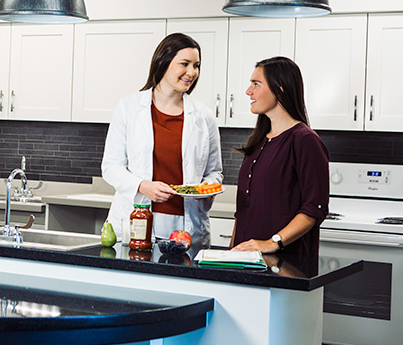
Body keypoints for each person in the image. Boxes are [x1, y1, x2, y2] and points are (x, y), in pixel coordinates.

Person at [101, 33, 223, 248]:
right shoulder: (128, 108)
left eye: (196, 66)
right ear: (163, 62)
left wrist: (206, 188)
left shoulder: (204, 117)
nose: (192, 72)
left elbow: (214, 172)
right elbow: (111, 167)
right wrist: (142, 185)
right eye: (184, 64)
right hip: (137, 219)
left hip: (186, 226)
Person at [230, 56, 329, 256]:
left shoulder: (305, 140)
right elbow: (243, 211)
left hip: (286, 263)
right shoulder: (258, 141)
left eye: (256, 84)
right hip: (244, 259)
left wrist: (272, 243)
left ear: (279, 89)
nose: (248, 91)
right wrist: (231, 252)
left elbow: (314, 208)